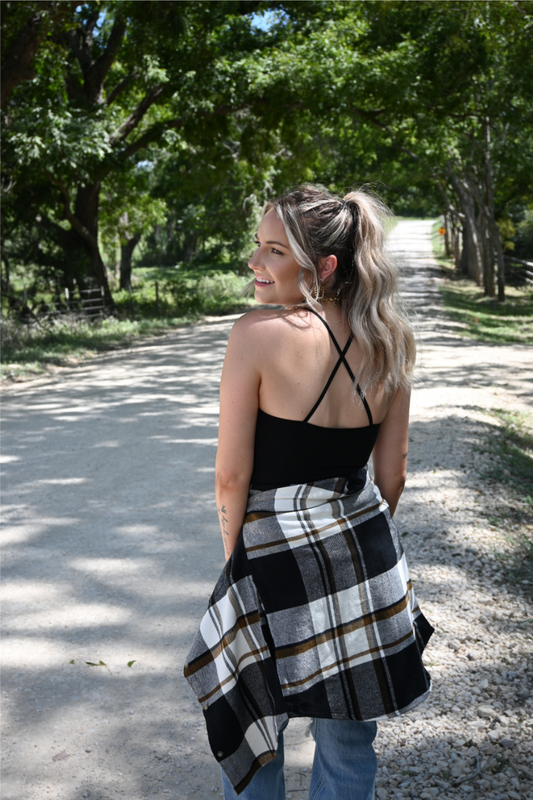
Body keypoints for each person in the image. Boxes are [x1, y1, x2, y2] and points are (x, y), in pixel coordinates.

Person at [184, 185, 434, 799]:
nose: (254, 262)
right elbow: (394, 473)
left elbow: (230, 476)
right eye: (258, 246)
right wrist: (347, 539)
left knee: (256, 724)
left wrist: (236, 561)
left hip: (269, 556)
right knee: (348, 737)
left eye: (274, 251)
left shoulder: (256, 335)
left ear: (324, 267)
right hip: (364, 555)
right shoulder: (393, 338)